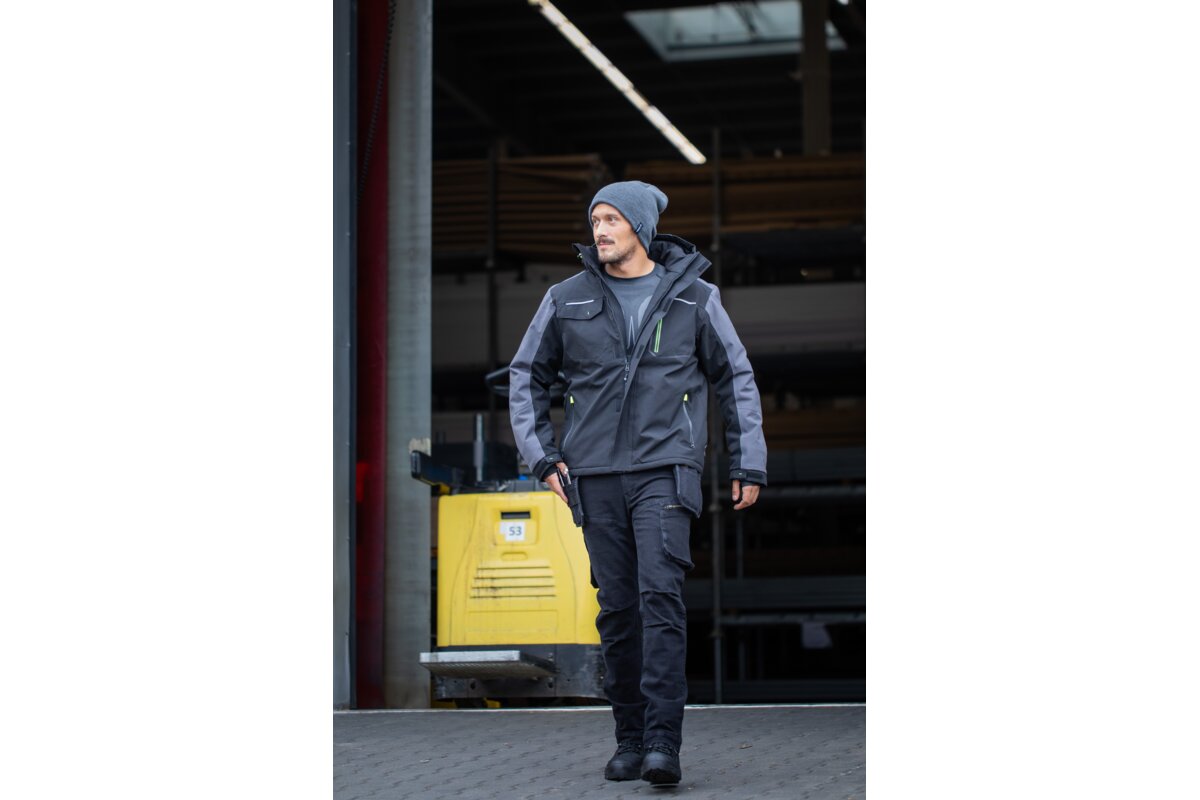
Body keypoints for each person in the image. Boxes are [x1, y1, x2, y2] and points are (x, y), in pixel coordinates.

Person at [508, 180, 767, 785]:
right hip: (593, 475)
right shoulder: (565, 298)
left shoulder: (695, 297)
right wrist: (544, 459)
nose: (599, 230)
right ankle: (628, 737)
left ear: (641, 228)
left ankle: (662, 744)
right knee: (618, 610)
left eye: (612, 220)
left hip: (665, 471)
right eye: (595, 220)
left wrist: (747, 461)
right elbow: (526, 377)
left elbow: (735, 377)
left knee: (661, 601)